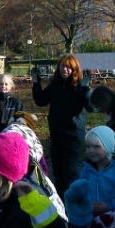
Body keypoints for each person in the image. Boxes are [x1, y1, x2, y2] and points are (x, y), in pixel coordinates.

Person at [32, 54, 93, 195]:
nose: (64, 69)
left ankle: (74, 204)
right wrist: (36, 83)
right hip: (56, 135)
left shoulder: (79, 87)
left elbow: (91, 107)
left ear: (74, 69)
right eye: (62, 66)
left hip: (74, 137)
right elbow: (41, 101)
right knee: (58, 173)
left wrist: (86, 89)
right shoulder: (55, 85)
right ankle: (61, 204)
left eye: (68, 67)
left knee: (71, 174)